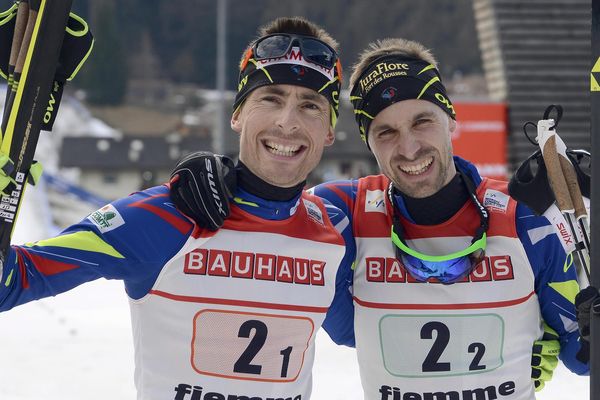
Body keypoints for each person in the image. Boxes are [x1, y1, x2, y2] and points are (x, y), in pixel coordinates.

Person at [171, 38, 590, 399]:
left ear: (450, 120)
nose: (408, 148)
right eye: (385, 132)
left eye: (422, 121)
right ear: (368, 143)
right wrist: (210, 173)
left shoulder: (522, 217)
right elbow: (270, 206)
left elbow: (581, 356)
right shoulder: (344, 211)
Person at [0, 17, 356, 400]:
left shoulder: (335, 228)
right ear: (237, 114)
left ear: (330, 130)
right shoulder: (164, 216)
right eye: (270, 99)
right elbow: (15, 280)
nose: (288, 123)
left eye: (310, 105)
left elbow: (365, 331)